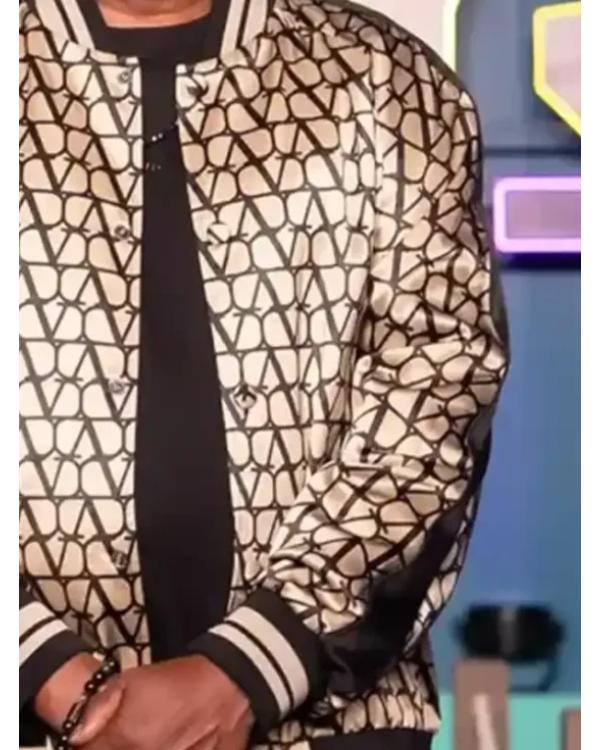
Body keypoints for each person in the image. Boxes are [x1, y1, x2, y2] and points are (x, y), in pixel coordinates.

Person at [19, 0, 509, 747]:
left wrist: (255, 665)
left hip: (332, 719)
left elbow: (441, 386)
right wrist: (45, 672)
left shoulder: (387, 81)